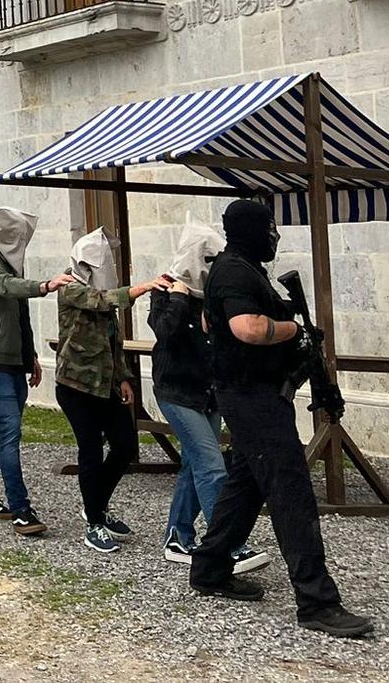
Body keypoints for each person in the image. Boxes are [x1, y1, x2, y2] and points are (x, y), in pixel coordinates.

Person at [190, 199, 373, 640]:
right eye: (270, 229)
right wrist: (294, 329)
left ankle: (210, 569)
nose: (275, 237)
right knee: (291, 493)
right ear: (252, 230)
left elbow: (210, 318)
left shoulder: (242, 269)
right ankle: (317, 602)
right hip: (251, 397)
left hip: (256, 394)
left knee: (246, 487)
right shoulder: (235, 271)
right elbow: (245, 328)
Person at [149, 221, 269, 576]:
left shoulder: (217, 291)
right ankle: (227, 543)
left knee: (194, 464)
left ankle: (178, 535)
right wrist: (179, 297)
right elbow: (163, 331)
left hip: (208, 392)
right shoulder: (166, 289)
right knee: (211, 465)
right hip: (176, 391)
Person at [54, 228, 169, 554]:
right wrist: (142, 287)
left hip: (105, 384)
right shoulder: (69, 288)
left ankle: (97, 505)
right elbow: (101, 300)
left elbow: (113, 341)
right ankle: (93, 522)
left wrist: (123, 379)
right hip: (76, 386)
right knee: (90, 451)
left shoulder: (99, 290)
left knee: (124, 446)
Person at [0, 206, 63, 537]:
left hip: (12, 358)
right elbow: (8, 288)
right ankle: (21, 509)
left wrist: (30, 357)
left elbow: (20, 317)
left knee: (2, 426)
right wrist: (46, 286)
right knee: (9, 428)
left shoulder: (9, 264)